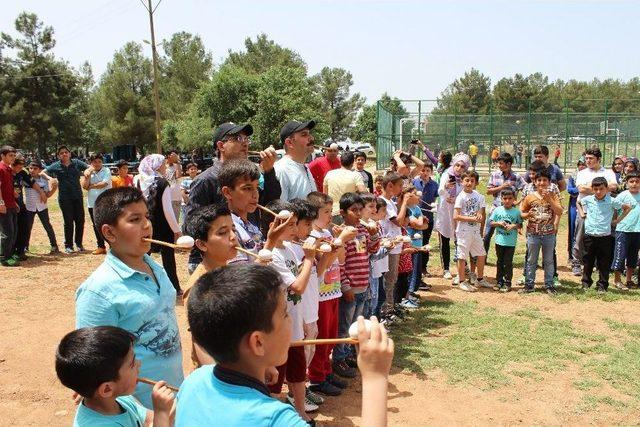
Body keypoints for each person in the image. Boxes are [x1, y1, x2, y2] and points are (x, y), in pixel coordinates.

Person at [177, 264, 394, 426]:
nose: (292, 321)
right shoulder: (277, 420)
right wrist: (376, 377)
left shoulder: (193, 382)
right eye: (285, 314)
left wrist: (261, 364)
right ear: (258, 343)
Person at [75, 187, 183, 408]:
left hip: (171, 400)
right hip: (139, 411)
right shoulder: (99, 291)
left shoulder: (154, 267)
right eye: (134, 219)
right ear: (110, 233)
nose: (147, 225)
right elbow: (92, 366)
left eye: (147, 216)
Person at [184, 122, 280, 273]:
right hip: (212, 264)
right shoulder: (205, 180)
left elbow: (269, 202)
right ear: (221, 146)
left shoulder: (248, 176)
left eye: (246, 139)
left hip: (249, 254)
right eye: (237, 138)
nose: (245, 143)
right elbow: (190, 225)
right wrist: (222, 234)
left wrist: (269, 171)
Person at [55, 326, 175, 427]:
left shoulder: (119, 400)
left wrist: (182, 398)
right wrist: (162, 413)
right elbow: (158, 418)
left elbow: (149, 420)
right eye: (132, 364)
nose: (139, 364)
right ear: (107, 389)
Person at [266, 200, 319, 420]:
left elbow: (303, 278)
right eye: (290, 224)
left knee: (298, 373)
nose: (295, 230)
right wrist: (309, 258)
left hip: (294, 322)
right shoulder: (272, 254)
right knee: (275, 381)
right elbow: (297, 285)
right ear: (275, 224)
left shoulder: (289, 249)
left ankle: (300, 413)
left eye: (296, 224)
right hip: (278, 327)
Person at [306, 192, 357, 396]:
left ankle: (326, 372)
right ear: (312, 214)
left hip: (333, 292)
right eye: (325, 212)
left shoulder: (327, 233)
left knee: (330, 337)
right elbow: (320, 263)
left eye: (330, 211)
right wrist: (338, 240)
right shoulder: (312, 237)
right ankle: (317, 378)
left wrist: (339, 240)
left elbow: (341, 260)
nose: (330, 216)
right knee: (321, 339)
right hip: (319, 296)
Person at [183, 204, 240, 367]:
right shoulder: (199, 286)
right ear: (202, 244)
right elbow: (201, 342)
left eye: (233, 229)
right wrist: (223, 378)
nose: (233, 237)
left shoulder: (230, 273)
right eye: (223, 232)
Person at [334, 192, 380, 379]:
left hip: (363, 285)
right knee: (344, 326)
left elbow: (372, 250)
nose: (359, 213)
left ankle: (348, 354)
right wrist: (345, 286)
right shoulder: (341, 234)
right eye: (354, 210)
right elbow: (341, 263)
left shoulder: (362, 230)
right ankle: (338, 359)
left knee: (356, 325)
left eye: (360, 209)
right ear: (343, 213)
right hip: (351, 288)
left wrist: (374, 235)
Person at [138, 154, 182, 294]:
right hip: (163, 226)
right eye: (162, 164)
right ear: (156, 166)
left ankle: (144, 286)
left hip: (144, 224)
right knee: (168, 257)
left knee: (144, 256)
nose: (164, 166)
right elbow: (167, 209)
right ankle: (174, 287)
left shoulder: (138, 180)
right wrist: (176, 230)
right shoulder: (163, 183)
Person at [578, 177, 630, 293]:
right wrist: (582, 213)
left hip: (605, 236)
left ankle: (602, 285)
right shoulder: (588, 199)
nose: (598, 192)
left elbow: (627, 208)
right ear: (592, 189)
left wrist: (617, 221)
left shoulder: (612, 200)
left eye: (601, 189)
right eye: (595, 189)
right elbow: (578, 202)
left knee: (604, 262)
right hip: (590, 235)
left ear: (606, 189)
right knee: (588, 261)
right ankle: (586, 282)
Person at [572, 147, 617, 275]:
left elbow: (614, 186)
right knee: (580, 235)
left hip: (603, 211)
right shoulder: (582, 173)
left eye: (591, 158)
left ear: (598, 159)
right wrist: (602, 189)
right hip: (585, 210)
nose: (588, 161)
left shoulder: (608, 172)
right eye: (586, 158)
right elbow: (581, 189)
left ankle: (599, 264)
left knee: (602, 237)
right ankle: (576, 263)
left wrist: (590, 188)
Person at [520, 169, 563, 295]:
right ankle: (529, 284)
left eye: (545, 180)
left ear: (549, 182)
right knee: (531, 259)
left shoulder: (553, 196)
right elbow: (521, 213)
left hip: (549, 234)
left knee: (548, 260)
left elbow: (559, 211)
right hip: (533, 234)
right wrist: (527, 214)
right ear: (535, 182)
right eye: (539, 180)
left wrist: (549, 199)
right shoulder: (529, 197)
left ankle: (549, 284)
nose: (542, 183)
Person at [45, 146, 89, 253]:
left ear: (69, 154)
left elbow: (90, 167)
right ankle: (68, 246)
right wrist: (50, 178)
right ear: (59, 155)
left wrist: (87, 171)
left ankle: (79, 244)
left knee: (80, 221)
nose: (64, 154)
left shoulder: (77, 163)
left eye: (66, 152)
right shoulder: (56, 165)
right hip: (65, 198)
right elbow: (43, 172)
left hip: (78, 197)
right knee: (68, 222)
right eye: (61, 153)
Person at [434, 153, 469, 280]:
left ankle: (463, 266)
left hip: (459, 211)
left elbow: (467, 193)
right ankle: (446, 269)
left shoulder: (465, 178)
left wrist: (457, 198)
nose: (459, 168)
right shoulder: (447, 174)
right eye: (457, 165)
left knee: (461, 240)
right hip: (446, 211)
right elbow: (440, 191)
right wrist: (446, 187)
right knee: (445, 240)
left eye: (462, 166)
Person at [453, 170, 489, 292]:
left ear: (476, 183)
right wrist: (472, 218)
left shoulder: (479, 196)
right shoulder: (460, 197)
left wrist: (479, 215)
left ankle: (479, 279)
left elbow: (482, 212)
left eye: (472, 181)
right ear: (462, 182)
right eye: (466, 180)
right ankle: (462, 281)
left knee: (481, 254)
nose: (469, 183)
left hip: (475, 231)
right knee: (462, 256)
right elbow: (456, 216)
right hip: (464, 231)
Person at [379, 172, 408, 321]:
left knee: (392, 278)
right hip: (388, 246)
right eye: (399, 186)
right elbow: (399, 221)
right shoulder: (382, 201)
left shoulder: (389, 201)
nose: (401, 189)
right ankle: (386, 311)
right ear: (390, 186)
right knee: (389, 279)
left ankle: (390, 307)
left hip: (394, 245)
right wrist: (404, 203)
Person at [483, 152, 525, 252]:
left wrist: (518, 202)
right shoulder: (494, 174)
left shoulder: (517, 177)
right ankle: (483, 258)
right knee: (487, 234)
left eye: (501, 163)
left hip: (509, 213)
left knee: (507, 234)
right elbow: (488, 191)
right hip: (495, 209)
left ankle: (506, 258)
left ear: (509, 164)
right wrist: (501, 187)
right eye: (498, 163)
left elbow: (526, 190)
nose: (499, 165)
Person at [11, 156, 47, 260]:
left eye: (22, 166)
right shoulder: (7, 172)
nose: (19, 169)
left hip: (21, 205)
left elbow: (32, 182)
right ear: (13, 164)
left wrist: (41, 192)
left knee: (24, 227)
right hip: (10, 205)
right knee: (12, 229)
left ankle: (21, 251)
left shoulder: (22, 173)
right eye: (18, 167)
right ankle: (10, 252)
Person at [610, 171, 640, 290]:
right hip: (623, 230)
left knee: (633, 256)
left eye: (637, 181)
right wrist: (614, 222)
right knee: (620, 255)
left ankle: (629, 279)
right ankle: (617, 280)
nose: (634, 184)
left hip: (637, 231)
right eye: (631, 181)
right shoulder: (623, 195)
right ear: (627, 183)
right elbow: (614, 209)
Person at [274, 120, 318, 201]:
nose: (311, 138)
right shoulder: (281, 170)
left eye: (309, 134)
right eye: (304, 134)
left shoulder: (305, 168)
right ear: (290, 142)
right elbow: (281, 210)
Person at [488, 189, 522, 292]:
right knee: (499, 261)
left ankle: (508, 282)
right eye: (505, 198)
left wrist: (513, 226)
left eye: (510, 198)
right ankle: (499, 281)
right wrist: (498, 223)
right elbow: (491, 223)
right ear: (501, 199)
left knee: (508, 262)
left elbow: (520, 224)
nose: (507, 201)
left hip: (510, 242)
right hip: (499, 241)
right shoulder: (497, 210)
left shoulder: (516, 212)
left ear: (514, 200)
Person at [24, 161, 59, 254]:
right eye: (30, 168)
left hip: (42, 206)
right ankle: (25, 246)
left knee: (47, 226)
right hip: (29, 207)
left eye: (35, 169)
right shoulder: (25, 178)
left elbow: (47, 195)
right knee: (27, 228)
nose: (32, 170)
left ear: (40, 170)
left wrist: (54, 189)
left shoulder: (44, 180)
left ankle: (54, 246)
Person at [82, 154, 112, 255]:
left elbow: (103, 184)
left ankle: (113, 247)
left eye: (99, 161)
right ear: (91, 163)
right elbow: (84, 186)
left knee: (108, 225)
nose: (97, 164)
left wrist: (91, 186)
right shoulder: (89, 172)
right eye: (95, 162)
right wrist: (87, 175)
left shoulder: (106, 171)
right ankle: (101, 246)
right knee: (96, 225)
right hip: (92, 203)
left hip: (105, 202)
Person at [323, 151, 366, 223]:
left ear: (340, 161)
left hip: (332, 213)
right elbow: (364, 193)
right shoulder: (356, 175)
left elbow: (325, 195)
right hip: (348, 214)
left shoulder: (330, 174)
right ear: (353, 162)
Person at [413, 162, 438, 279]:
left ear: (431, 172)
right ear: (419, 171)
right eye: (423, 170)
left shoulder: (435, 185)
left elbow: (438, 198)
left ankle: (423, 268)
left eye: (428, 170)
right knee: (415, 242)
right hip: (415, 218)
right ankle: (414, 268)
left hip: (428, 218)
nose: (425, 173)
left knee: (426, 243)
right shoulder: (414, 182)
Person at [0, 146, 20, 266]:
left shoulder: (8, 169)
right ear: (3, 155)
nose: (13, 158)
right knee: (7, 233)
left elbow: (8, 187)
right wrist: (1, 203)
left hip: (11, 204)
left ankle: (10, 254)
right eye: (10, 155)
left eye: (14, 155)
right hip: (4, 206)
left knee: (13, 231)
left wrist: (14, 202)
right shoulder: (1, 168)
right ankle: (4, 258)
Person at [567, 158, 586, 275]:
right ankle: (573, 256)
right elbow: (570, 190)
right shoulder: (573, 176)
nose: (582, 166)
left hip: (588, 206)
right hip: (575, 206)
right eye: (580, 164)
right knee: (574, 230)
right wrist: (581, 189)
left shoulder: (592, 176)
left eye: (584, 164)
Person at [165, 148, 183, 224]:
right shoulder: (163, 166)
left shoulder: (178, 165)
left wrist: (177, 162)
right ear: (168, 156)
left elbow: (178, 176)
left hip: (176, 198)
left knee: (175, 222)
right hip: (166, 198)